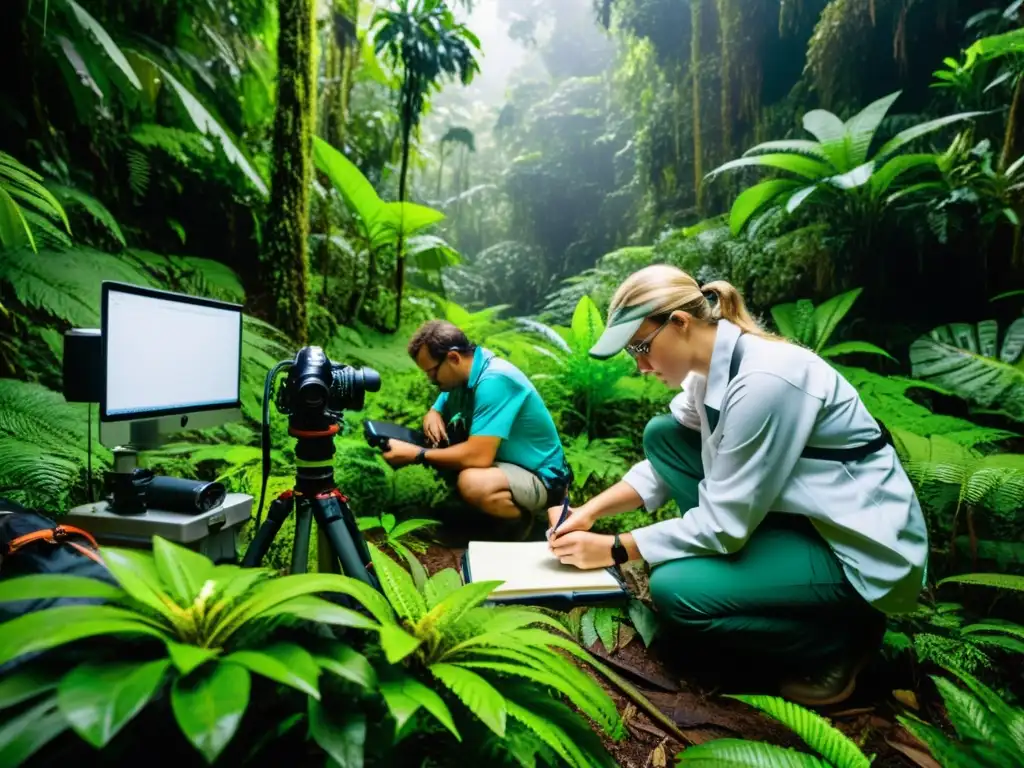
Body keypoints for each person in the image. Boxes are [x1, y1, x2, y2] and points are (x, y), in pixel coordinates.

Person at [547, 264, 929, 707]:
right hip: (797, 517)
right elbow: (664, 464)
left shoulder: (766, 380)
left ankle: (841, 639)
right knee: (663, 435)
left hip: (853, 548)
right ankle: (777, 588)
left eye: (642, 347)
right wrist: (590, 512)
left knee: (676, 590)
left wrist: (615, 548)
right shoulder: (706, 370)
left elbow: (723, 525)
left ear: (680, 323)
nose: (642, 366)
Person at [381, 319, 570, 540]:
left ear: (453, 357)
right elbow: (446, 394)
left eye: (432, 373)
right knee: (446, 446)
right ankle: (480, 518)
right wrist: (434, 411)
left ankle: (521, 524)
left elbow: (478, 457)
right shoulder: (470, 370)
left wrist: (417, 455)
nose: (430, 380)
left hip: (543, 477)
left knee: (472, 482)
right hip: (509, 465)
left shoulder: (495, 380)